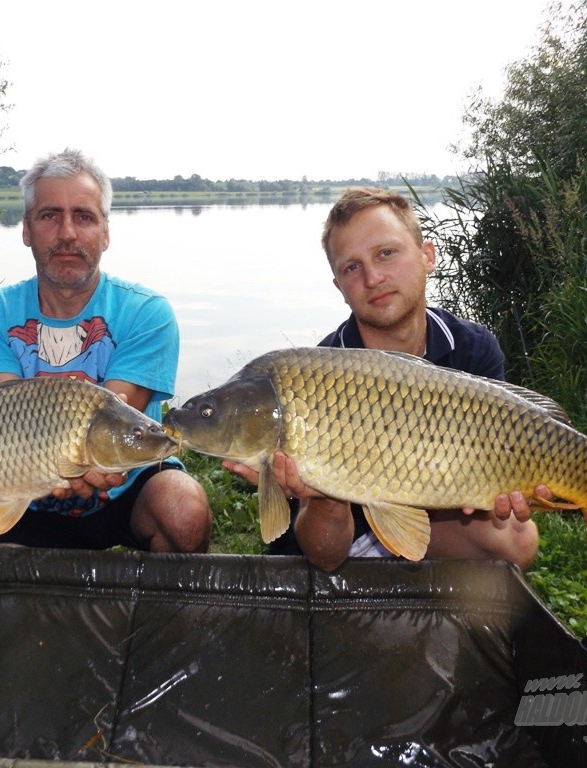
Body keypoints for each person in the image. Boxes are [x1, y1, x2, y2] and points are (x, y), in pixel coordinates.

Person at [0, 148, 212, 553]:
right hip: (28, 491)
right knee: (2, 577)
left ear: (106, 232)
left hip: (126, 486)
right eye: (50, 215)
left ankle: (165, 614)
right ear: (26, 229)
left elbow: (118, 413)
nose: (68, 233)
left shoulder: (147, 312)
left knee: (183, 508)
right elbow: (5, 410)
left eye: (84, 217)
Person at [224, 187, 547, 572]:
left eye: (386, 254)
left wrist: (513, 482)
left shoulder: (472, 348)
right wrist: (324, 492)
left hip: (433, 519)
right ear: (339, 288)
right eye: (352, 267)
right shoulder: (311, 379)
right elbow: (325, 554)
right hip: (341, 542)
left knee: (518, 539)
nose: (373, 277)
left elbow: (498, 471)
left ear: (427, 255)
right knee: (328, 561)